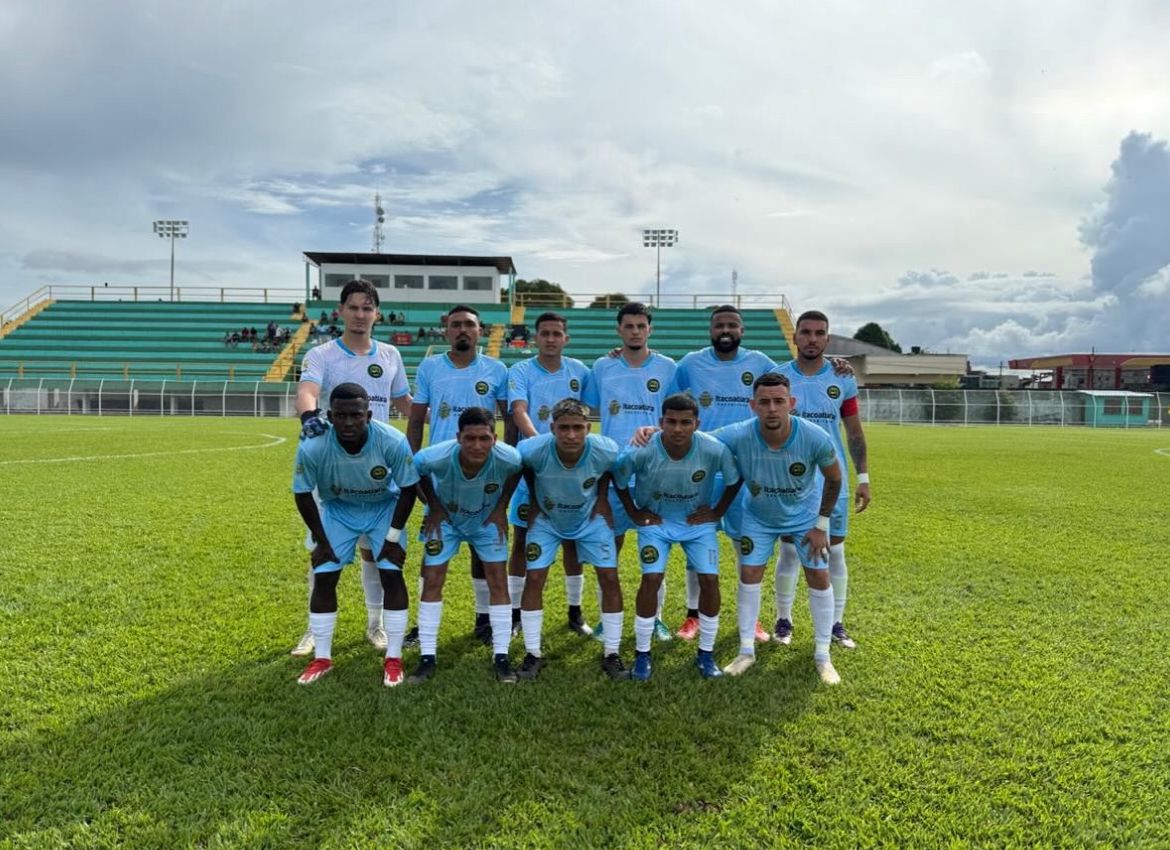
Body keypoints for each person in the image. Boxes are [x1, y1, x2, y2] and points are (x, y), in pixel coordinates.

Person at [292, 278, 414, 658]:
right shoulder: (322, 354)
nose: (361, 315)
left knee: (374, 553)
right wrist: (310, 417)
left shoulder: (391, 355)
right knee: (322, 551)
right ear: (341, 311)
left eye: (368, 308)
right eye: (354, 307)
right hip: (333, 462)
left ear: (377, 314)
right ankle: (315, 631)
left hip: (378, 462)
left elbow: (405, 402)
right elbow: (308, 391)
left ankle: (375, 625)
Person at [713, 372, 844, 684]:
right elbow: (698, 438)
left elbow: (835, 477)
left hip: (805, 519)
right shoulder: (738, 434)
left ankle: (823, 655)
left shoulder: (814, 437)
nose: (772, 408)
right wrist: (652, 431)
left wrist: (821, 525)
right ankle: (746, 651)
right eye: (764, 402)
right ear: (753, 405)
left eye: (778, 401)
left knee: (819, 575)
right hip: (757, 517)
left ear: (791, 404)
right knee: (749, 574)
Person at [291, 383, 419, 687]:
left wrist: (392, 539)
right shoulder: (313, 447)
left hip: (381, 508)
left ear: (368, 415)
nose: (349, 423)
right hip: (339, 510)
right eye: (342, 416)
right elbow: (303, 494)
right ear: (330, 416)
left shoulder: (391, 440)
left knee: (391, 572)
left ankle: (394, 658)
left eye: (356, 416)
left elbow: (408, 488)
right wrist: (321, 541)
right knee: (324, 574)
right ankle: (322, 658)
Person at [668, 304, 783, 643]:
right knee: (696, 542)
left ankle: (753, 619)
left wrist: (834, 364)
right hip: (701, 468)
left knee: (747, 545)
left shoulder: (760, 362)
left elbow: (788, 383)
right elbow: (667, 397)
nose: (726, 330)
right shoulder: (689, 364)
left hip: (747, 469)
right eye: (719, 325)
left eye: (732, 324)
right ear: (711, 330)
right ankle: (694, 616)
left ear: (742, 331)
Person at [614, 393, 742, 680]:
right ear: (661, 422)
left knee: (710, 580)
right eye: (671, 422)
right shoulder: (643, 449)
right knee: (651, 579)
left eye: (686, 422)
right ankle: (642, 655)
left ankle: (706, 655)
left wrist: (717, 511)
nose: (678, 428)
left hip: (696, 523)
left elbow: (735, 479)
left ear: (697, 423)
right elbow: (618, 478)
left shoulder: (713, 448)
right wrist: (634, 513)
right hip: (656, 523)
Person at [408, 304, 508, 645]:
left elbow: (508, 421)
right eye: (456, 325)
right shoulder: (430, 367)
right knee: (434, 549)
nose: (463, 330)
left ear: (480, 331)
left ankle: (484, 620)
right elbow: (415, 418)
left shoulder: (496, 369)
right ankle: (423, 626)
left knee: (484, 551)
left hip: (485, 474)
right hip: (439, 477)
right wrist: (411, 461)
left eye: (469, 324)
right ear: (446, 331)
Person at [773, 310, 871, 648]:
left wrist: (864, 477)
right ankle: (783, 620)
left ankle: (836, 624)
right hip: (792, 483)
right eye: (806, 332)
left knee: (835, 554)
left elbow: (854, 433)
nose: (812, 339)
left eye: (819, 333)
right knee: (788, 552)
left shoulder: (842, 377)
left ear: (827, 339)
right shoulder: (779, 377)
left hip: (834, 481)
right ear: (795, 336)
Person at [582, 301, 678, 642]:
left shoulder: (668, 367)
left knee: (655, 547)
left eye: (641, 326)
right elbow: (587, 408)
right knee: (608, 547)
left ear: (649, 330)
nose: (635, 331)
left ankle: (656, 619)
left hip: (654, 470)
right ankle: (607, 618)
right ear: (619, 330)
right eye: (629, 326)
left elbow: (677, 416)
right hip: (613, 470)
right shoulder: (603, 366)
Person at [409, 407, 523, 683]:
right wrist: (433, 506)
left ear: (494, 438)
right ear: (458, 437)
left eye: (484, 438)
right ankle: (427, 657)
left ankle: (501, 656)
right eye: (470, 438)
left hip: (485, 521)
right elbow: (415, 470)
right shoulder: (434, 456)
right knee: (433, 578)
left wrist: (501, 508)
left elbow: (518, 471)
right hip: (445, 521)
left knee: (498, 580)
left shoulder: (509, 457)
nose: (477, 445)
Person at [517, 399, 628, 680]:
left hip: (590, 519)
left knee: (609, 577)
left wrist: (602, 498)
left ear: (588, 428)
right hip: (548, 520)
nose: (570, 435)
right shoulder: (532, 449)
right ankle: (532, 654)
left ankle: (612, 654)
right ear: (552, 427)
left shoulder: (606, 449)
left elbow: (610, 470)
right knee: (535, 578)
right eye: (563, 428)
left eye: (577, 428)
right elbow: (526, 470)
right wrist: (533, 501)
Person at [504, 312, 592, 638]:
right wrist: (543, 446)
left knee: (573, 540)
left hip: (572, 468)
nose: (551, 339)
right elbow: (518, 411)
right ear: (535, 338)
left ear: (565, 338)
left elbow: (592, 409)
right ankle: (515, 613)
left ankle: (574, 611)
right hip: (535, 464)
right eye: (545, 333)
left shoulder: (580, 371)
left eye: (557, 333)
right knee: (521, 539)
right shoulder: (521, 370)